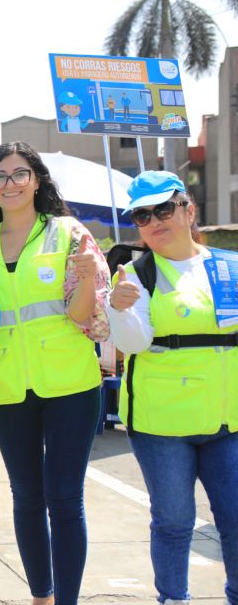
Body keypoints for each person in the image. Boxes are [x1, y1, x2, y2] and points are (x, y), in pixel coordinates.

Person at [0, 142, 110, 605]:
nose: (10, 183)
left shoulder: (69, 233)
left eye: (20, 174)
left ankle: (67, 601)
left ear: (36, 180)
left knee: (63, 497)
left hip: (70, 386)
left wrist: (83, 278)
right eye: (0, 176)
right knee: (25, 496)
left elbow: (85, 318)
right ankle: (41, 596)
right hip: (4, 389)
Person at [107, 171, 238, 605]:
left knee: (236, 520)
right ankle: (173, 599)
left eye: (164, 209)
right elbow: (133, 343)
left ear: (188, 210)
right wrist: (121, 309)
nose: (155, 221)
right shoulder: (136, 273)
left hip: (228, 419)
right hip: (162, 424)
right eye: (142, 216)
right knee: (174, 521)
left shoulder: (229, 266)